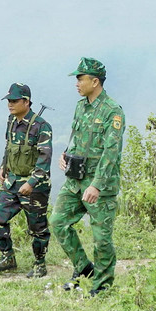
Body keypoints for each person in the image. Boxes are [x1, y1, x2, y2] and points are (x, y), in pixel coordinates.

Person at [49, 57, 125, 296]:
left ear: (95, 81)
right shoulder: (81, 106)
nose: (77, 83)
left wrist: (96, 186)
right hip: (75, 181)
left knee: (102, 238)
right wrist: (66, 156)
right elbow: (78, 139)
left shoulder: (113, 111)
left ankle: (102, 285)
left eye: (80, 79)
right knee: (58, 222)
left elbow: (111, 153)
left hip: (98, 185)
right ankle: (83, 268)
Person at [0, 83, 53, 278]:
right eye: (9, 101)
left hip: (34, 187)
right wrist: (3, 166)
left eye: (15, 101)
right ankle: (8, 257)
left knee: (37, 227)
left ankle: (40, 264)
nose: (10, 104)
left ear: (26, 101)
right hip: (12, 182)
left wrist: (31, 183)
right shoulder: (11, 121)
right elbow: (9, 147)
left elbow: (45, 159)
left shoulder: (41, 126)